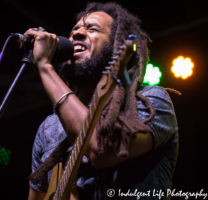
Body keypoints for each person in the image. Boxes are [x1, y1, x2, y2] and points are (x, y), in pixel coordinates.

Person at [26, 2, 178, 200]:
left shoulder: (151, 101)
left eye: (92, 29)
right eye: (75, 30)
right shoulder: (49, 128)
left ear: (116, 46)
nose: (76, 34)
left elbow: (102, 151)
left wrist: (45, 68)